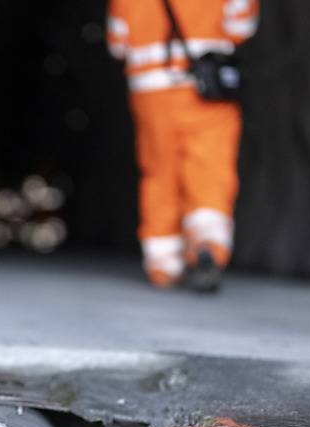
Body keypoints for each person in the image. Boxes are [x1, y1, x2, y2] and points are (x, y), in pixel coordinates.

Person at [108, 0, 258, 290]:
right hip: (204, 87)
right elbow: (242, 25)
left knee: (159, 172)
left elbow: (118, 43)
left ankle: (163, 264)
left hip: (150, 91)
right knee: (210, 167)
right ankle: (207, 244)